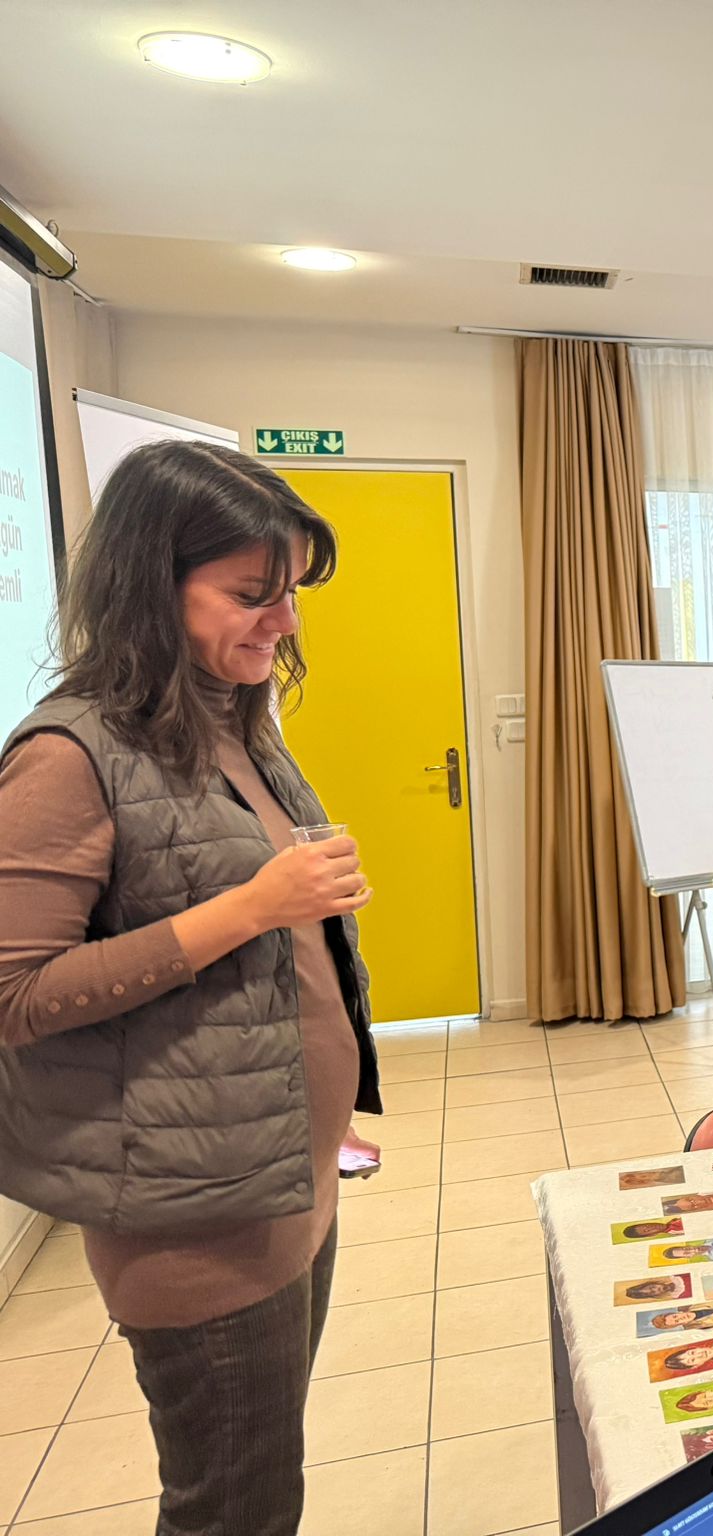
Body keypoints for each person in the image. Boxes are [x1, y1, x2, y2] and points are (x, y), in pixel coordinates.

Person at [0, 441, 379, 1535]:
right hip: (195, 1224)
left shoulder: (227, 719)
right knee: (234, 1511)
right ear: (147, 586)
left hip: (277, 1176)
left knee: (263, 1486)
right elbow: (15, 994)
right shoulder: (67, 755)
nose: (285, 622)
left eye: (291, 593)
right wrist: (252, 908)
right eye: (252, 594)